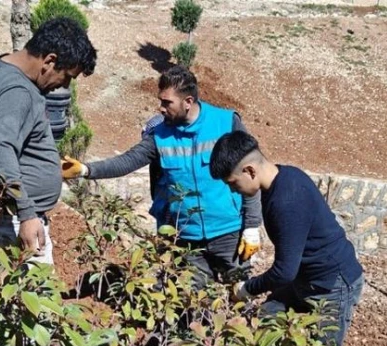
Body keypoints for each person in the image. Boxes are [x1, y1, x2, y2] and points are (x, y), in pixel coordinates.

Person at [61, 65, 261, 287]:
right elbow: (128, 161)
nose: (161, 109)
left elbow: (251, 174)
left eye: (167, 103)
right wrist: (85, 170)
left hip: (229, 233)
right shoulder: (160, 136)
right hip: (186, 239)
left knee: (240, 294)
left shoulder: (225, 123)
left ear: (188, 102)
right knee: (188, 306)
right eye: (161, 101)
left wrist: (252, 226)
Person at [210, 131, 363, 346]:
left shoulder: (286, 201)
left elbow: (284, 271)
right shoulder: (285, 176)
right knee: (266, 318)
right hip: (306, 278)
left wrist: (248, 289)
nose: (233, 190)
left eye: (233, 183)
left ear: (250, 170)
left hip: (332, 283)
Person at [0, 17, 97, 265]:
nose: (64, 86)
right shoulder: (19, 92)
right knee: (37, 300)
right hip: (16, 219)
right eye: (67, 77)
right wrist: (26, 214)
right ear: (49, 61)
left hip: (5, 212)